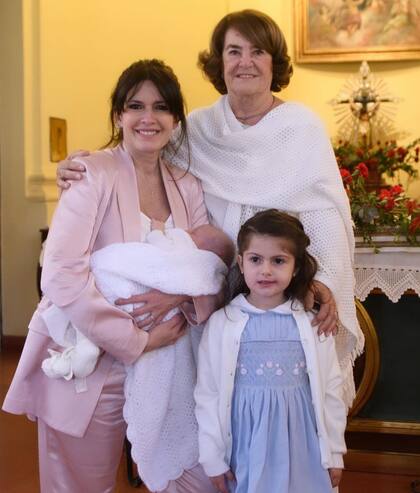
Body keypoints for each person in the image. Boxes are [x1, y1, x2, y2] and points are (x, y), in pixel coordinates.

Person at [56, 10, 363, 404]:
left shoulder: (301, 128)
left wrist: (323, 280)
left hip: (284, 289)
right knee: (225, 406)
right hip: (220, 296)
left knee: (284, 402)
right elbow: (142, 141)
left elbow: (326, 216)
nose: (245, 62)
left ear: (276, 62)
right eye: (233, 51)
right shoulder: (199, 129)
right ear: (220, 62)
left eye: (258, 51)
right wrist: (77, 167)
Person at [3, 59, 219, 493]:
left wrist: (174, 302)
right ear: (119, 115)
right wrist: (135, 340)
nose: (148, 118)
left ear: (175, 119)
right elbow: (62, 275)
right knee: (82, 485)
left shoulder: (187, 186)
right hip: (95, 358)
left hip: (171, 361)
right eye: (135, 106)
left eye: (160, 107)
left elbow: (208, 271)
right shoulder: (92, 174)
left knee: (191, 477)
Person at [194, 209, 347, 493]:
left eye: (278, 261)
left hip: (304, 445)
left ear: (296, 267)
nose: (265, 270)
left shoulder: (312, 323)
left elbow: (331, 389)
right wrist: (212, 457)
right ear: (240, 263)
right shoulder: (223, 323)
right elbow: (208, 393)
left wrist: (335, 451)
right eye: (255, 260)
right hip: (247, 444)